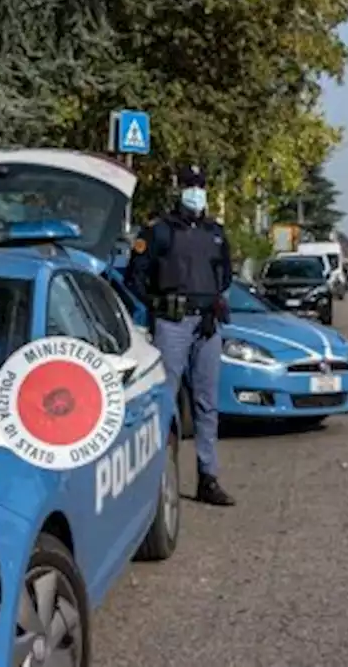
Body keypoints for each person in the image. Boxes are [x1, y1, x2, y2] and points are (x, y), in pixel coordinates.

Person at [125, 164, 235, 506]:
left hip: (207, 326)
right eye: (190, 184)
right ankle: (157, 479)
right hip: (172, 324)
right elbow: (135, 277)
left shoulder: (215, 232)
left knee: (207, 404)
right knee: (164, 401)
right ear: (179, 189)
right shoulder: (159, 231)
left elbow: (225, 276)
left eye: (200, 184)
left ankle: (208, 476)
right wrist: (158, 306)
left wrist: (211, 304)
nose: (195, 190)